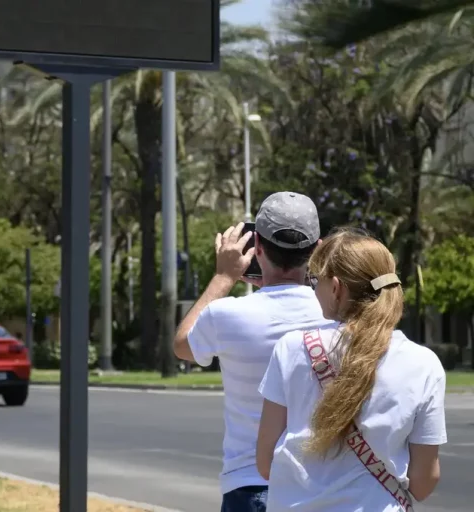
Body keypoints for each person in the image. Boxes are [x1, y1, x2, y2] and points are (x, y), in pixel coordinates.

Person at [256, 228, 446, 512]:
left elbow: (265, 462)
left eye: (314, 280)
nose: (313, 289)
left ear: (336, 288)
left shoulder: (291, 348)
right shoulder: (424, 363)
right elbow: (423, 482)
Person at [173, 191, 332, 512]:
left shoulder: (227, 316)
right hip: (322, 487)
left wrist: (223, 277)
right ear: (316, 250)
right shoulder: (335, 315)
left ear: (257, 246)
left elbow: (182, 344)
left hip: (249, 485)